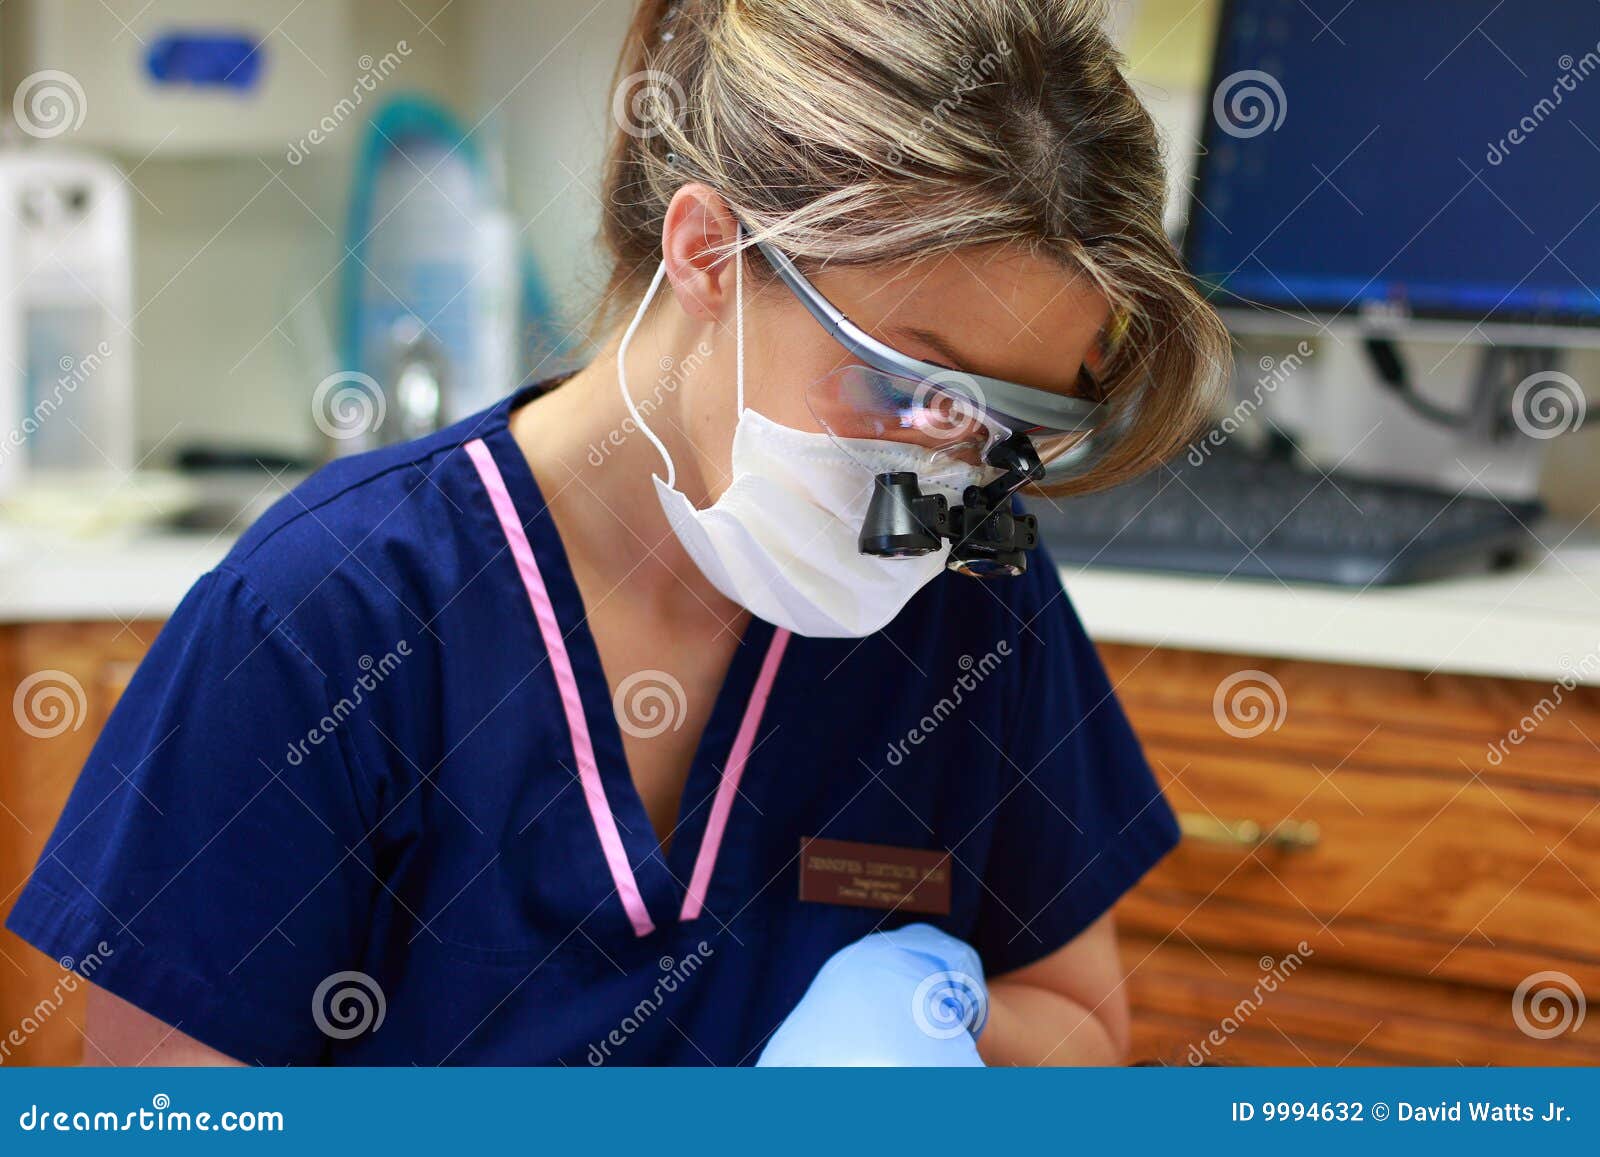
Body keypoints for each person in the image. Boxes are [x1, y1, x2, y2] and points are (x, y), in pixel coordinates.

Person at [7, 0, 1227, 1066]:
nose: (946, 466)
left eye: (1013, 419)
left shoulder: (966, 595)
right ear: (708, 251)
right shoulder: (336, 615)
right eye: (906, 383)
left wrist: (932, 1019)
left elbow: (1079, 1021)